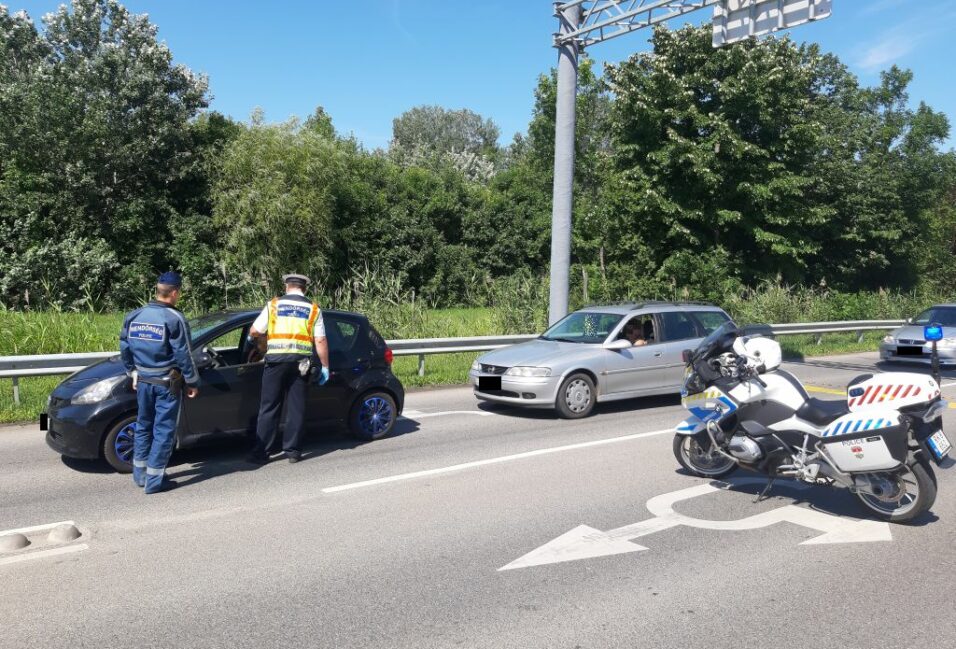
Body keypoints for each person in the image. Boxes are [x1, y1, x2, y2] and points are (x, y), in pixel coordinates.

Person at [119, 271, 200, 493]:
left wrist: (131, 371)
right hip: (166, 383)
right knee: (163, 431)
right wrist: (192, 381)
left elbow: (124, 347)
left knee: (144, 426)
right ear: (174, 293)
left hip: (143, 381)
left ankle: (140, 476)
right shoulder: (174, 318)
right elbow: (184, 354)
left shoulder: (135, 316)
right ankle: (154, 482)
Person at [247, 273, 330, 464]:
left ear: (287, 287)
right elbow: (320, 340)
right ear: (304, 288)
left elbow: (254, 331)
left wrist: (259, 342)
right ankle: (293, 452)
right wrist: (325, 366)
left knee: (269, 407)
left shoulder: (274, 305)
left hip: (276, 362)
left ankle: (262, 452)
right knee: (296, 408)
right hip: (301, 364)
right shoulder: (314, 309)